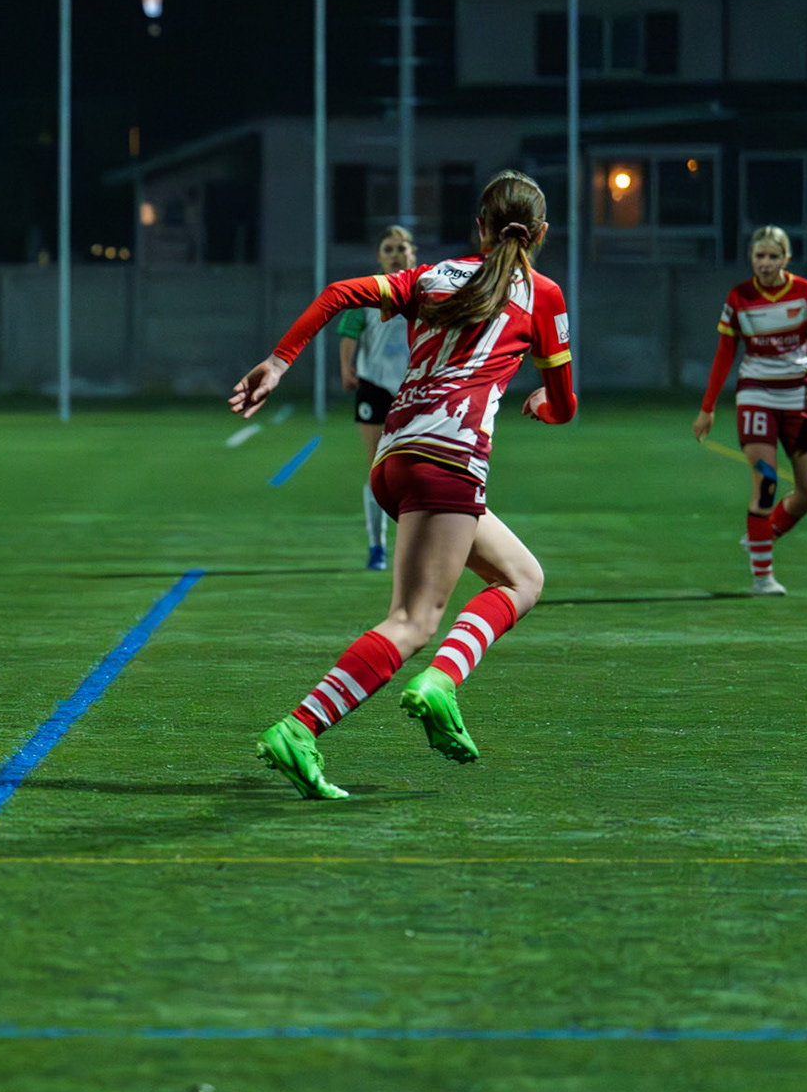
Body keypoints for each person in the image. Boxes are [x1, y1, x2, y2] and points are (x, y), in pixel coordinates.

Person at [229, 170, 576, 799]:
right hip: (448, 459)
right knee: (414, 621)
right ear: (543, 233)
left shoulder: (432, 276)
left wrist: (279, 361)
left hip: (394, 455)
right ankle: (304, 727)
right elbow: (564, 402)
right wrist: (544, 410)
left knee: (523, 577)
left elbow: (338, 293)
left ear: (479, 227)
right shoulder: (544, 294)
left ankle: (441, 684)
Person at [692, 225, 807, 596]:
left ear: (786, 259)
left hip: (800, 397)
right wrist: (708, 408)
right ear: (751, 259)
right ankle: (762, 577)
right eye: (759, 256)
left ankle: (761, 536)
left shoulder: (806, 294)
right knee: (766, 484)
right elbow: (725, 353)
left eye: (772, 256)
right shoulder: (739, 296)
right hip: (757, 397)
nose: (765, 263)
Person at [336, 225, 418, 570]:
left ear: (412, 253)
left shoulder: (424, 290)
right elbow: (350, 333)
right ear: (379, 256)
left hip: (413, 388)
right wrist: (347, 367)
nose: (395, 254)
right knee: (377, 469)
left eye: (401, 248)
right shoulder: (367, 292)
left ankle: (413, 547)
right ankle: (377, 546)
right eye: (388, 248)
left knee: (415, 471)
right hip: (373, 385)